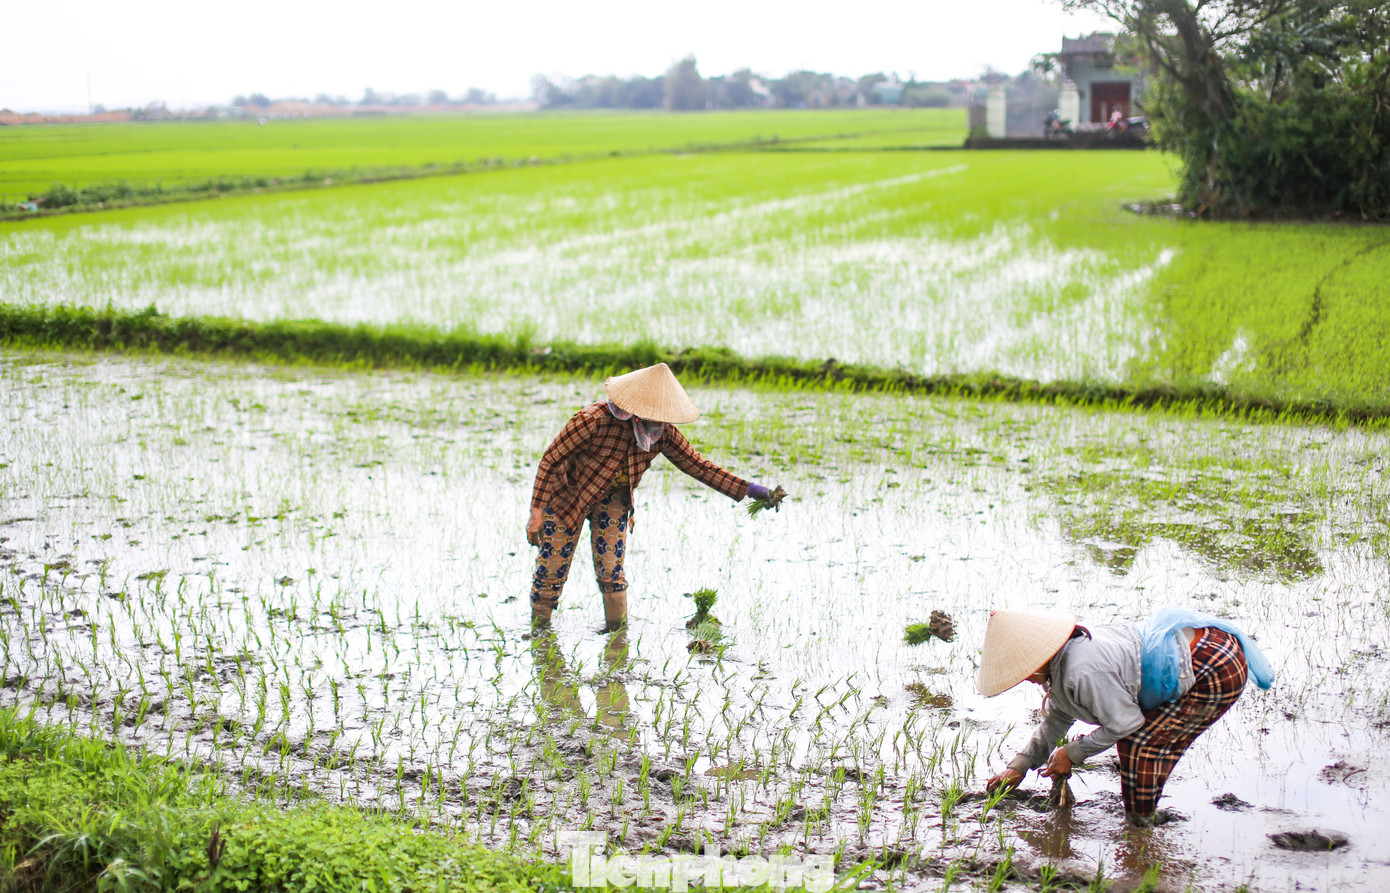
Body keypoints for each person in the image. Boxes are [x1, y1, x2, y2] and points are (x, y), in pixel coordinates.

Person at [526, 362, 781, 632]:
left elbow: (699, 466)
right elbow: (552, 460)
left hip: (614, 500)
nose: (659, 420)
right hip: (569, 494)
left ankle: (617, 640)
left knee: (612, 571)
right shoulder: (593, 419)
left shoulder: (661, 433)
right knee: (551, 569)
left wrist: (752, 489)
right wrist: (537, 512)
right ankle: (541, 638)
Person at [979, 606, 1274, 827]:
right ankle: (1144, 815)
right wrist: (1020, 765)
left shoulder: (1082, 670)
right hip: (1198, 652)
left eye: (1024, 671)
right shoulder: (1058, 665)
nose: (1026, 678)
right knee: (1145, 740)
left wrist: (1072, 752)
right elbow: (1057, 718)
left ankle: (1139, 829)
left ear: (1038, 657)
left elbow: (1125, 723)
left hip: (1214, 664)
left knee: (1140, 743)